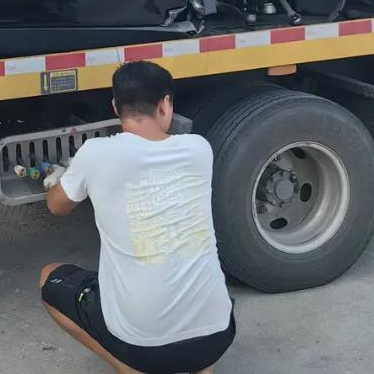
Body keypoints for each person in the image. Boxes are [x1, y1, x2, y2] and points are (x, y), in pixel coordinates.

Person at [39, 61, 235, 374]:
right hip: (217, 336)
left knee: (49, 277)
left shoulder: (95, 153)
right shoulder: (199, 149)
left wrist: (63, 177)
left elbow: (57, 206)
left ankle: (132, 369)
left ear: (115, 106)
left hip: (143, 350)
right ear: (165, 104)